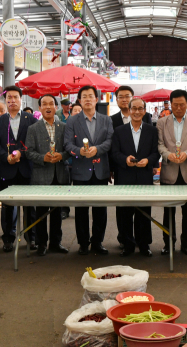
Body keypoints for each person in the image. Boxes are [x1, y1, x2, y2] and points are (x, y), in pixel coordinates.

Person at [64, 85, 114, 256]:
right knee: (81, 210)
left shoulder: (106, 120)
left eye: (90, 96)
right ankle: (83, 243)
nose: (87, 99)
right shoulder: (72, 121)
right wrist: (79, 151)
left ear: (96, 99)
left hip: (100, 171)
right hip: (80, 170)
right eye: (83, 96)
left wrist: (97, 150)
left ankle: (97, 242)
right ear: (79, 100)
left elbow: (109, 141)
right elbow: (67, 144)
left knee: (100, 209)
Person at [111, 97, 160, 257]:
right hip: (125, 177)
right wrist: (125, 160)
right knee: (125, 213)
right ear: (129, 110)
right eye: (134, 108)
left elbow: (156, 152)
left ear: (145, 111)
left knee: (144, 212)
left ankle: (144, 244)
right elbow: (115, 153)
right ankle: (127, 244)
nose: (137, 112)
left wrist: (149, 161)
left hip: (144, 177)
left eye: (140, 108)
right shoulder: (119, 131)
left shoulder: (152, 130)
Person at [0, 85, 38, 252]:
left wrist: (21, 153)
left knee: (29, 206)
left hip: (26, 168)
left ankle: (30, 238)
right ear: (5, 101)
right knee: (7, 206)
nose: (12, 100)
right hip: (7, 168)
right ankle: (8, 238)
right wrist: (5, 156)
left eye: (15, 97)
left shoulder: (31, 119)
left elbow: (33, 143)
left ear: (21, 99)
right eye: (9, 98)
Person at [25, 94, 70, 256]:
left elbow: (69, 149)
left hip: (60, 174)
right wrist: (42, 158)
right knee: (41, 211)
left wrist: (62, 156)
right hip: (41, 175)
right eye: (44, 104)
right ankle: (42, 243)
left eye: (51, 103)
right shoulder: (33, 128)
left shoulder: (64, 127)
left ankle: (56, 243)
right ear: (40, 108)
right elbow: (28, 152)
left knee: (57, 212)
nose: (48, 106)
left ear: (56, 107)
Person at [157, 89, 187, 257]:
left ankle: (186, 244)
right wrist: (168, 155)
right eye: (175, 104)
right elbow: (160, 144)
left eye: (182, 104)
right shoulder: (162, 122)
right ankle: (168, 244)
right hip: (169, 171)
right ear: (170, 104)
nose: (179, 107)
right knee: (168, 211)